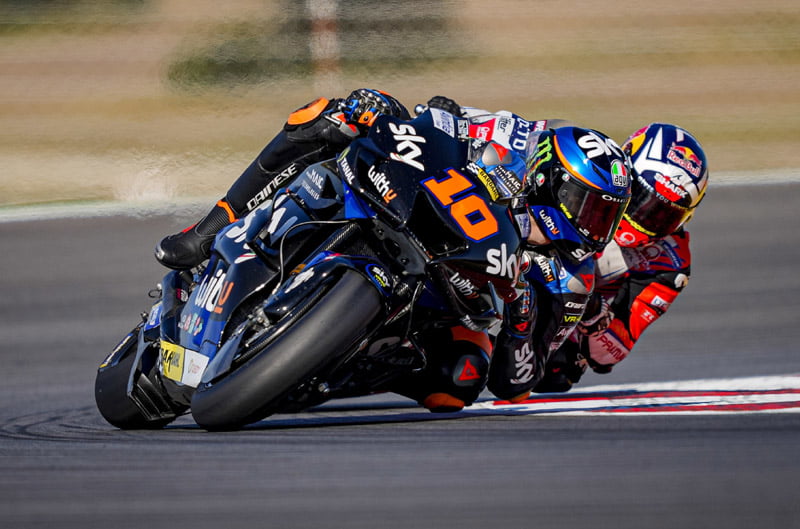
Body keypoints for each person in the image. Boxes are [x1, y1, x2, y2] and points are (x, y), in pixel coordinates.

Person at [153, 89, 632, 409]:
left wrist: (521, 319)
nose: (594, 225)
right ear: (550, 179)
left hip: (447, 304)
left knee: (460, 381)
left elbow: (516, 382)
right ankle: (210, 229)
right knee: (331, 114)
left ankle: (308, 372)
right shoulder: (516, 137)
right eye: (587, 206)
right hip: (412, 210)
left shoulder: (574, 277)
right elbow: (437, 119)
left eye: (606, 215)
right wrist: (386, 110)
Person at [532, 122, 710, 393]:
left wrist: (590, 308)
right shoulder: (586, 168)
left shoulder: (671, 262)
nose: (643, 219)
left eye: (663, 214)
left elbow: (609, 352)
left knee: (560, 369)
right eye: (640, 198)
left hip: (567, 306)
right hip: (519, 257)